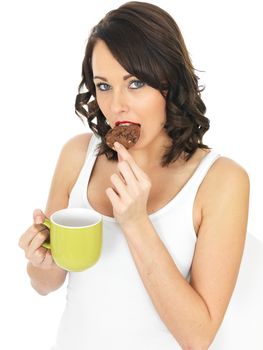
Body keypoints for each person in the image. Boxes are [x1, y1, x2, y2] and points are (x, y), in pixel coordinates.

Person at [18, 2, 250, 349]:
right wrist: (40, 261)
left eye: (136, 82)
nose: (116, 106)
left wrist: (137, 223)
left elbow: (198, 336)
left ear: (169, 83)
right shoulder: (77, 155)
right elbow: (47, 283)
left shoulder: (222, 181)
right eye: (104, 85)